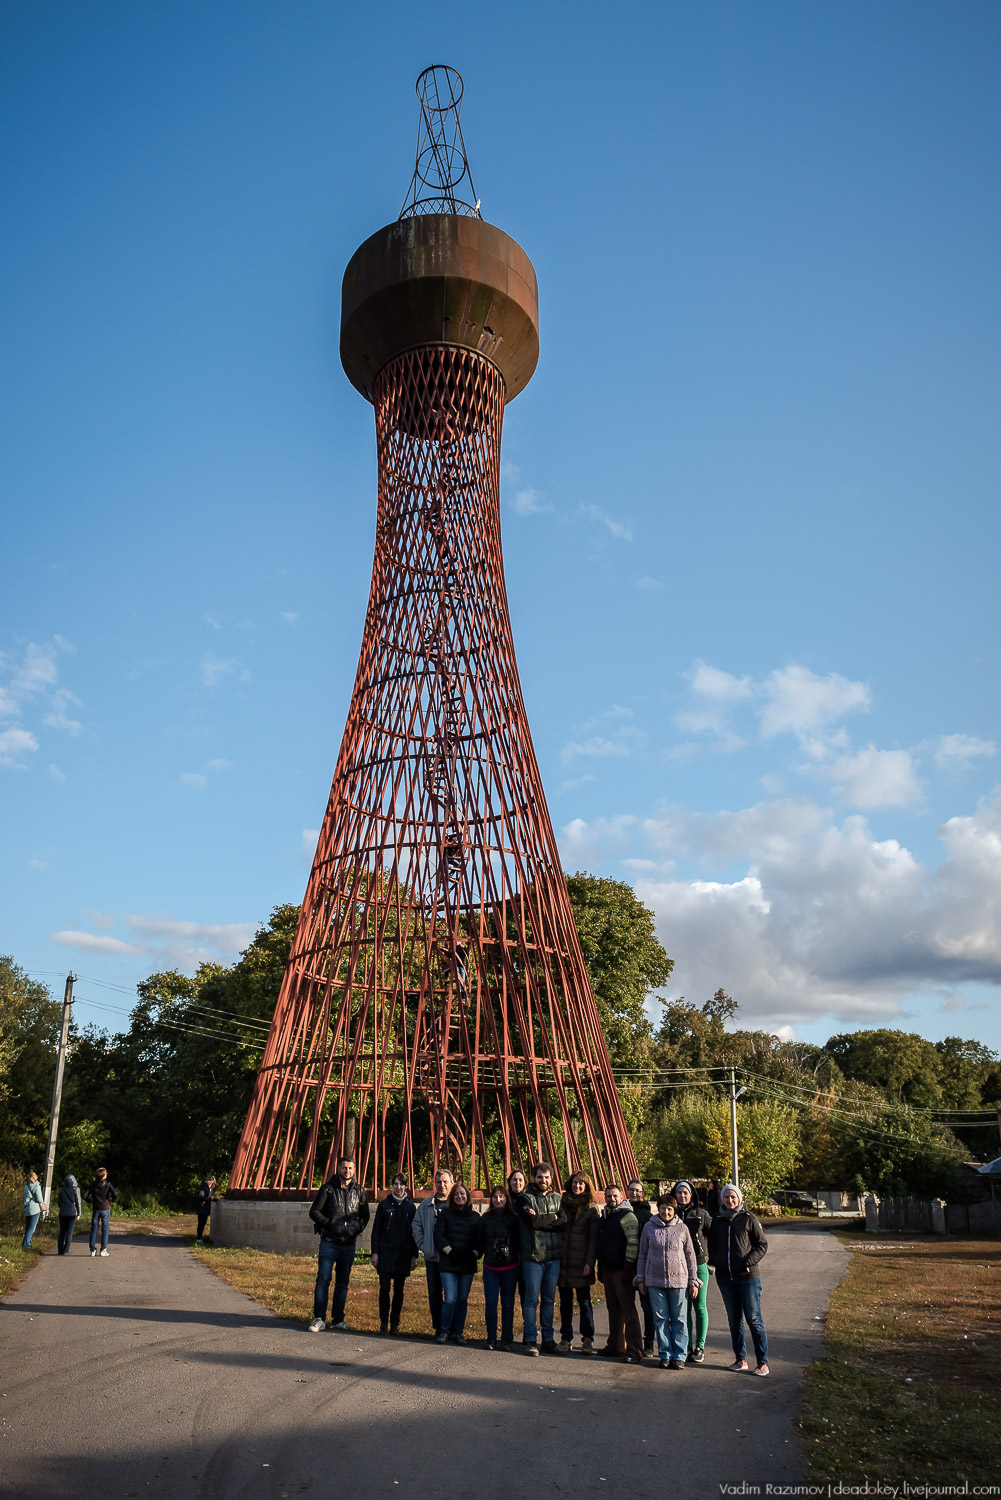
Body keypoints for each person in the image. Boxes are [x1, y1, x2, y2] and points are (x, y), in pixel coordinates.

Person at [706, 1182, 769, 1376]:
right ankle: (740, 1359)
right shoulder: (717, 1220)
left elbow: (762, 1245)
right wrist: (715, 1261)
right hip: (725, 1278)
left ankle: (762, 1362)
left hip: (747, 1277)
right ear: (722, 1199)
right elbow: (713, 1245)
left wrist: (747, 1262)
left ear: (739, 1199)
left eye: (733, 1197)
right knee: (734, 1320)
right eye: (726, 1197)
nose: (730, 1200)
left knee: (754, 1319)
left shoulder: (749, 1218)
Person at [635, 1194, 701, 1370]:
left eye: (669, 1209)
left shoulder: (682, 1228)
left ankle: (679, 1355)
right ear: (658, 1209)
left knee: (679, 1319)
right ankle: (665, 1354)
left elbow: (690, 1256)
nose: (666, 1212)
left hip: (679, 1281)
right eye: (663, 1208)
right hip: (654, 1281)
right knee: (660, 1319)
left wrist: (693, 1281)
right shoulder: (649, 1227)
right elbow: (642, 1254)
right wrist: (641, 1278)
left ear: (675, 1210)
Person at [307, 1155, 370, 1332]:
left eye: (350, 1168)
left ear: (354, 1170)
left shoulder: (359, 1191)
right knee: (323, 1279)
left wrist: (356, 1228)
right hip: (329, 1242)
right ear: (338, 1169)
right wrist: (329, 1225)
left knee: (343, 1282)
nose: (347, 1171)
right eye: (344, 1168)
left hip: (348, 1243)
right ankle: (319, 1318)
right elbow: (314, 1212)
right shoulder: (328, 1189)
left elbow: (365, 1215)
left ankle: (338, 1319)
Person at [518, 1160, 567, 1355]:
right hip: (533, 1257)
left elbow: (564, 1221)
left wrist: (543, 1219)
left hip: (553, 1256)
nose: (543, 1180)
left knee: (548, 1300)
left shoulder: (558, 1198)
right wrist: (552, 1218)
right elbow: (532, 1222)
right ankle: (531, 1339)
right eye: (540, 1177)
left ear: (551, 1179)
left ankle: (548, 1339)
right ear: (534, 1178)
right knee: (531, 1300)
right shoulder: (524, 1199)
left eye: (546, 1177)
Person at [596, 1183, 643, 1363]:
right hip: (607, 1268)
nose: (612, 1199)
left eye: (615, 1196)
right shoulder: (605, 1217)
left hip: (622, 1270)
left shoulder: (627, 1216)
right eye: (608, 1196)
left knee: (628, 1310)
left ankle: (634, 1350)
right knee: (613, 1309)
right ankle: (615, 1346)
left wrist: (627, 1267)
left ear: (621, 1197)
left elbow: (633, 1242)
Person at [433, 1182, 480, 1345]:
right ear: (452, 1197)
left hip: (467, 1263)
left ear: (467, 1196)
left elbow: (479, 1242)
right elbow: (439, 1236)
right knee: (450, 1298)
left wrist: (473, 1254)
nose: (460, 1196)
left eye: (463, 1194)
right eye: (457, 1194)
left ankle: (458, 1332)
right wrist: (451, 1252)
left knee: (462, 1299)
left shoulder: (475, 1217)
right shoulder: (445, 1214)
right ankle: (444, 1330)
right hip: (449, 1262)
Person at [476, 1185, 521, 1351]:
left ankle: (507, 1339)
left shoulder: (514, 1218)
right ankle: (491, 1337)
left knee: (508, 1304)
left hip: (510, 1266)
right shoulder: (485, 1219)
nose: (498, 1200)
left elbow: (519, 1241)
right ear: (491, 1199)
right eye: (495, 1197)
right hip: (491, 1267)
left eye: (501, 1196)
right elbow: (479, 1240)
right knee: (491, 1303)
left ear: (506, 1198)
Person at [370, 1173, 417, 1334]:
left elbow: (414, 1234)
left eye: (401, 1185)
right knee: (384, 1289)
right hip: (385, 1254)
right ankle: (383, 1322)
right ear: (392, 1186)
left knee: (399, 1291)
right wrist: (375, 1253)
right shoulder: (384, 1205)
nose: (398, 1187)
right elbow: (376, 1231)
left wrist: (414, 1256)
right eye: (396, 1184)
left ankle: (395, 1324)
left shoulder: (410, 1207)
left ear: (406, 1187)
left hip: (403, 1255)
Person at [558, 1170, 598, 1354]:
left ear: (587, 1186)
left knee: (585, 1302)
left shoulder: (591, 1209)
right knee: (565, 1303)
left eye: (581, 1183)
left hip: (582, 1263)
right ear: (570, 1184)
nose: (577, 1186)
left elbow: (593, 1239)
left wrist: (590, 1262)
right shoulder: (562, 1204)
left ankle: (588, 1339)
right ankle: (566, 1338)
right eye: (575, 1182)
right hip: (564, 1262)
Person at [412, 1167, 454, 1337]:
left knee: (452, 1296)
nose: (442, 1185)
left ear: (452, 1183)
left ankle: (451, 1328)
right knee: (434, 1294)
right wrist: (423, 1245)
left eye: (445, 1182)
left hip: (451, 1258)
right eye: (439, 1182)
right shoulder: (426, 1204)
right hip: (432, 1257)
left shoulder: (456, 1203)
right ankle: (438, 1327)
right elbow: (416, 1225)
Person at [674, 1179, 713, 1364]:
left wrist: (712, 1260)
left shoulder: (701, 1214)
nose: (682, 1196)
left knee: (700, 1306)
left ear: (691, 1195)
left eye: (685, 1192)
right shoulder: (671, 1213)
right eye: (679, 1192)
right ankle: (686, 1345)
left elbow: (715, 1236)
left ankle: (700, 1346)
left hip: (698, 1265)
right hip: (678, 1267)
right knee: (684, 1309)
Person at [627, 1179, 655, 1355]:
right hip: (627, 1265)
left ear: (643, 1194)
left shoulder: (648, 1216)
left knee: (647, 1307)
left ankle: (649, 1343)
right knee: (628, 1307)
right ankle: (629, 1342)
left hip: (643, 1266)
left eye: (637, 1190)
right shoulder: (623, 1211)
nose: (634, 1193)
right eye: (631, 1190)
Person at [84, 1168, 117, 1257]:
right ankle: (103, 1249)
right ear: (103, 1176)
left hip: (96, 1208)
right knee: (105, 1230)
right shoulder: (108, 1184)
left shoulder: (92, 1185)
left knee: (94, 1229)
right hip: (105, 1208)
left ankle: (92, 1250)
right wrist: (112, 1200)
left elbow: (84, 1195)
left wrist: (90, 1200)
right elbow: (115, 1194)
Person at [57, 1173, 82, 1254]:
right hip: (72, 1213)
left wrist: (62, 1208)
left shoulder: (61, 1190)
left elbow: (59, 1202)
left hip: (62, 1213)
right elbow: (78, 1202)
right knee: (69, 1232)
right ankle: (66, 1249)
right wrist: (79, 1213)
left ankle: (60, 1250)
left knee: (62, 1232)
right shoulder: (75, 1190)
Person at [22, 1171, 44, 1249]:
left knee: (28, 1227)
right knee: (32, 1228)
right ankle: (25, 1244)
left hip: (27, 1208)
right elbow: (39, 1198)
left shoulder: (26, 1187)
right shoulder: (36, 1186)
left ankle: (28, 1242)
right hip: (34, 1209)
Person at [195, 1175, 216, 1243]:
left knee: (204, 1223)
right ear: (207, 1180)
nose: (210, 1182)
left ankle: (200, 1238)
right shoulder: (203, 1187)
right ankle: (199, 1238)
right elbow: (201, 1196)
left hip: (206, 1208)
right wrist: (210, 1199)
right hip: (201, 1207)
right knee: (201, 1223)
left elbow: (210, 1196)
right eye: (209, 1181)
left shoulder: (211, 1188)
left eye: (211, 1181)